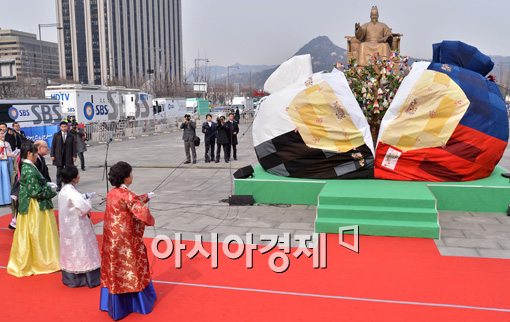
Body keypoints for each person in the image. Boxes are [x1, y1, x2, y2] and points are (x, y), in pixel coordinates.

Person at [100, 161, 156, 320]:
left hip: (112, 238)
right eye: (130, 174)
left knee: (114, 267)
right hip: (126, 239)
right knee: (131, 267)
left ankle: (111, 302)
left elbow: (131, 202)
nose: (132, 176)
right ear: (125, 178)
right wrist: (151, 219)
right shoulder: (128, 195)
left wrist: (146, 197)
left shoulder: (111, 193)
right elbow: (141, 213)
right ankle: (136, 302)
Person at [7, 141, 60, 277]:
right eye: (36, 154)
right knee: (38, 233)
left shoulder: (29, 166)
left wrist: (46, 184)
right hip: (34, 206)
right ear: (30, 153)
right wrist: (50, 190)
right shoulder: (29, 168)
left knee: (37, 233)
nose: (37, 156)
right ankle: (41, 261)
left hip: (32, 204)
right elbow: (35, 192)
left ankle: (40, 260)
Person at [58, 165, 100, 288]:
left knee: (70, 251)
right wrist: (88, 199)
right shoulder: (71, 192)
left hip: (67, 226)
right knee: (82, 249)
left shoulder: (64, 190)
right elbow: (85, 208)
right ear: (74, 178)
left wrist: (83, 197)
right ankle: (88, 278)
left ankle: (71, 277)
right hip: (77, 226)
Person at [51, 121, 77, 190]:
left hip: (68, 156)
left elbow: (74, 146)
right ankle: (58, 185)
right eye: (62, 127)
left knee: (68, 171)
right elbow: (53, 146)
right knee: (59, 171)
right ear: (60, 127)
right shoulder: (56, 135)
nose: (64, 128)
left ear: (67, 127)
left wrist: (74, 155)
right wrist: (52, 155)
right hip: (59, 156)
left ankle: (69, 184)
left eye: (65, 126)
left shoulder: (71, 135)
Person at [0, 130, 14, 206]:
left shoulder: (6, 143)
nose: (3, 135)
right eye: (1, 134)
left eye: (3, 133)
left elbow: (10, 152)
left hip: (6, 164)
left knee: (7, 181)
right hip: (1, 163)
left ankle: (7, 200)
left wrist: (12, 155)